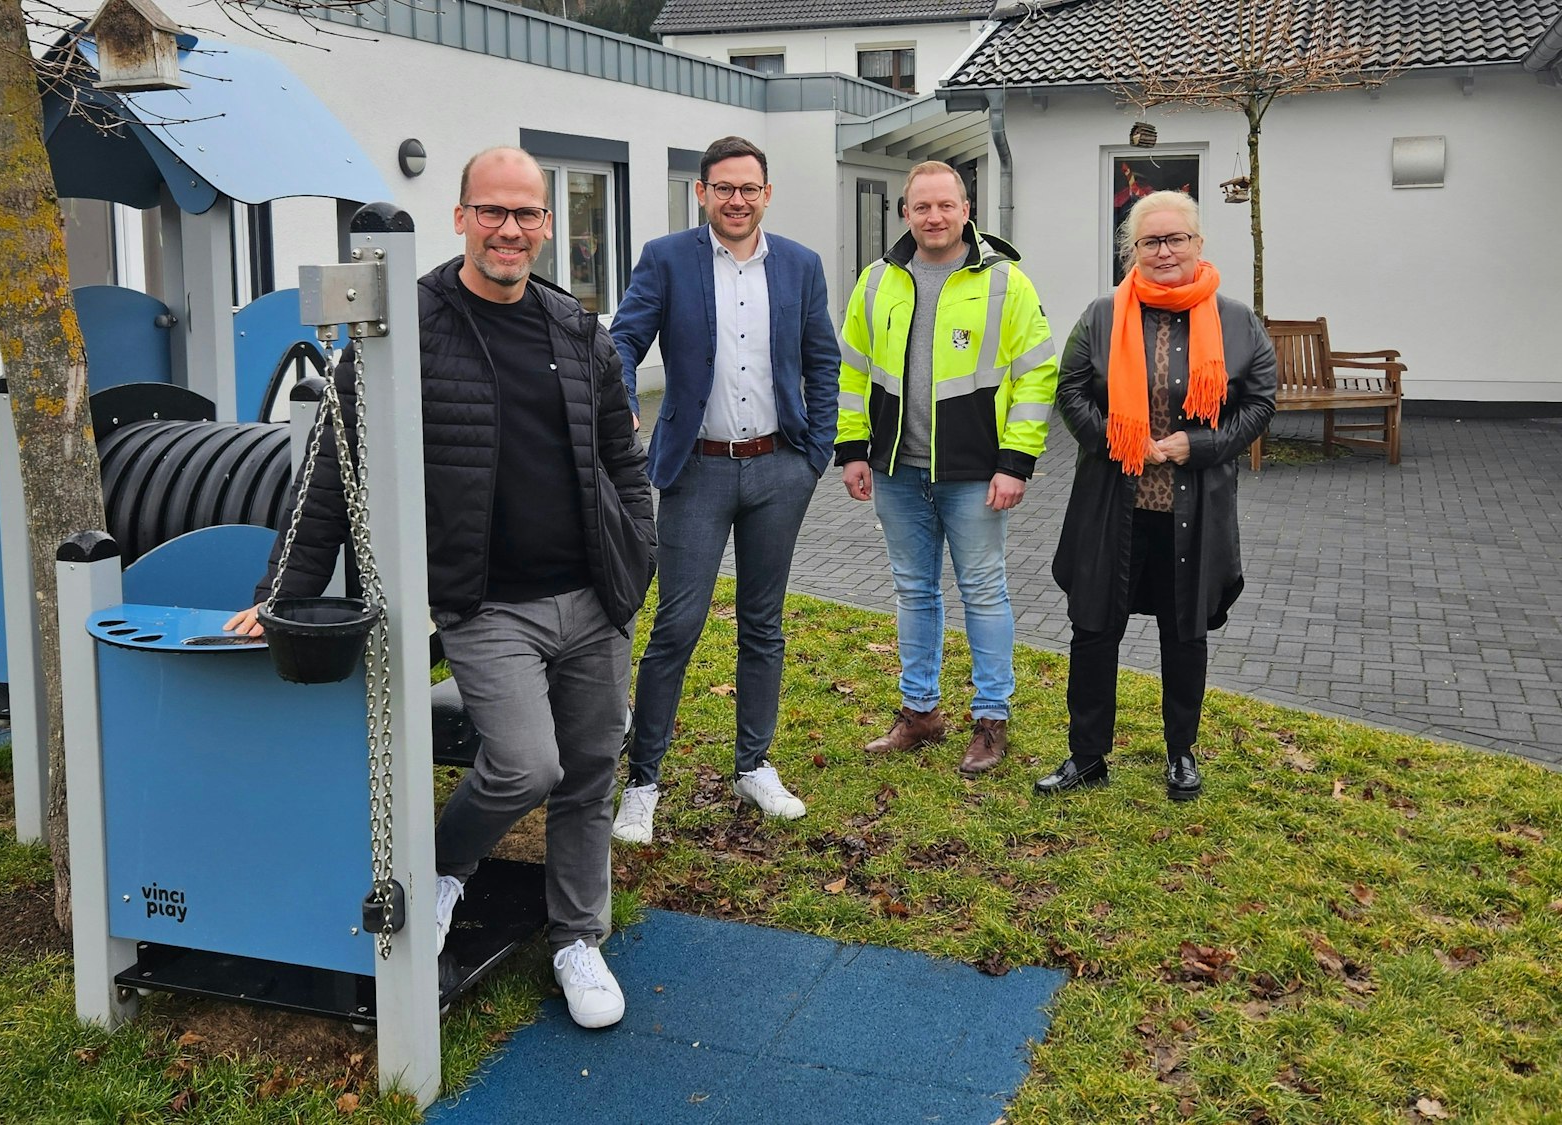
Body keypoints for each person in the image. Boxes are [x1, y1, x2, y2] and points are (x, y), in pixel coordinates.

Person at [227, 147, 655, 1029]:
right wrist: (283, 593)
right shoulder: (406, 329)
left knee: (590, 771)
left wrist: (636, 548)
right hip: (487, 603)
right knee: (525, 764)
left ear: (546, 225)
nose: (511, 230)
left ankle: (579, 937)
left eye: (528, 214)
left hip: (593, 597)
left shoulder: (575, 328)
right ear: (460, 216)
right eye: (493, 212)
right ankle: (442, 870)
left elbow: (623, 455)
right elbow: (331, 474)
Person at [608, 136, 839, 842]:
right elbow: (622, 339)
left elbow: (823, 359)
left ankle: (754, 765)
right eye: (723, 188)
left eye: (749, 188)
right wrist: (623, 397)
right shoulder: (667, 258)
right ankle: (643, 781)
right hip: (696, 470)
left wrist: (816, 452)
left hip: (779, 470)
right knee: (677, 625)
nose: (736, 200)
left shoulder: (800, 265)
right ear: (702, 192)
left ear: (766, 194)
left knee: (763, 623)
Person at [1040, 189, 1275, 799]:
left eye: (1177, 239)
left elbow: (1260, 402)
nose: (1165, 251)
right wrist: (1121, 444)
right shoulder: (1100, 315)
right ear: (1132, 251)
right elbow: (1070, 391)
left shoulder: (1235, 321)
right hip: (1112, 504)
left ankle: (1181, 754)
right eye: (1151, 241)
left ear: (1198, 244)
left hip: (1192, 509)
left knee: (1184, 633)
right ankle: (1086, 756)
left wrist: (1194, 447)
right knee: (1093, 631)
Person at [836, 161, 1057, 776]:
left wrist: (1015, 462)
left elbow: (1039, 374)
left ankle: (990, 719)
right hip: (895, 471)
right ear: (904, 212)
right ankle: (920, 711)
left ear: (967, 209)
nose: (934, 216)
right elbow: (852, 371)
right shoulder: (877, 280)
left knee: (984, 592)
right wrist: (854, 448)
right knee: (913, 589)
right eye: (921, 206)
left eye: (945, 205)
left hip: (975, 474)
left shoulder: (1004, 282)